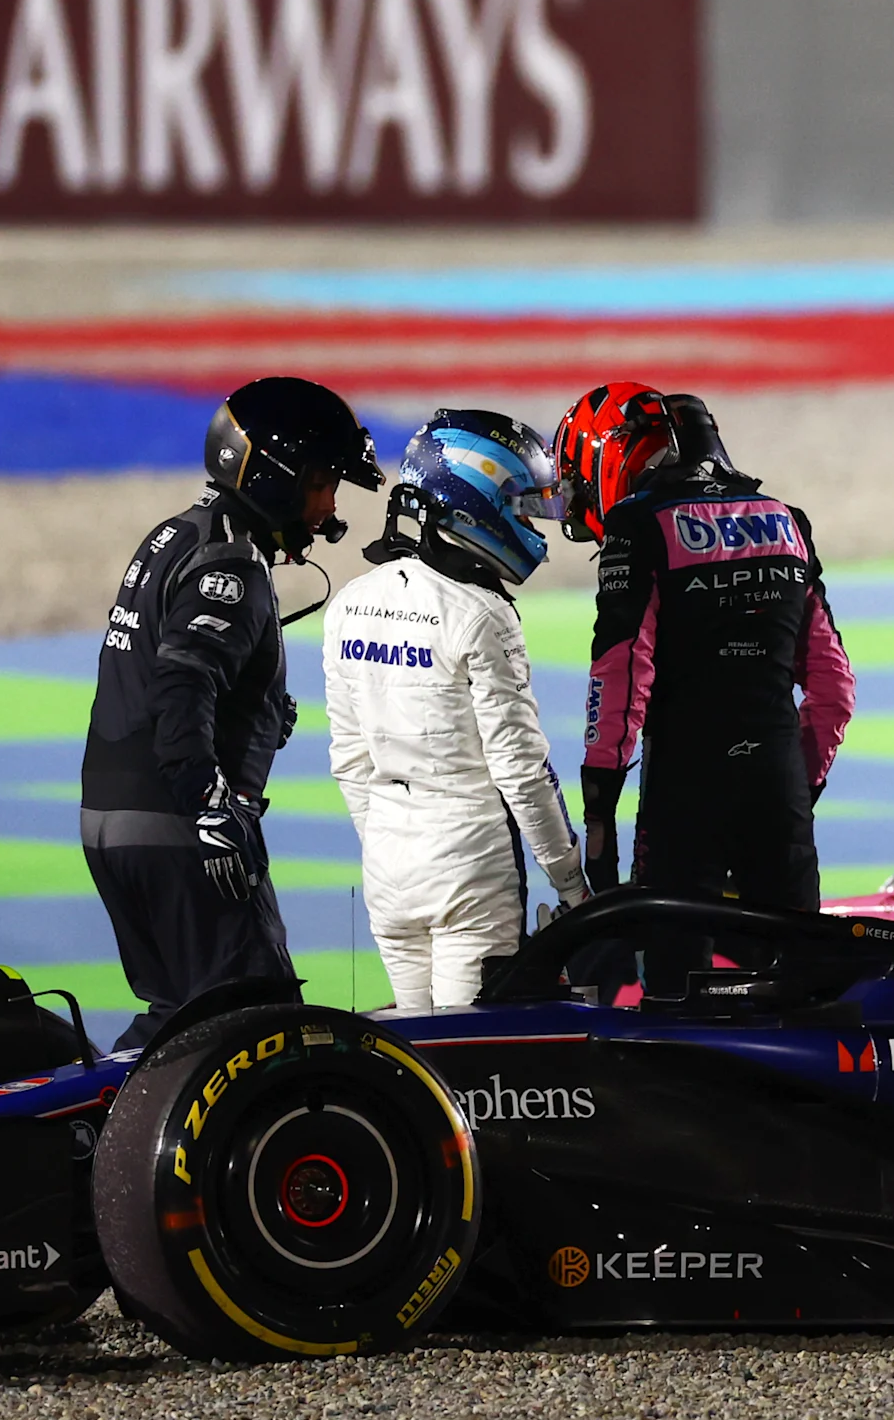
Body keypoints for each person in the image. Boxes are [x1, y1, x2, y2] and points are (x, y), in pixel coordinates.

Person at [80, 375, 381, 1036]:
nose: (329, 505)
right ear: (273, 477)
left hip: (111, 819)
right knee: (255, 1023)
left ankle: (84, 1132)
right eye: (321, 482)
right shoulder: (235, 566)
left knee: (180, 1020)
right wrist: (211, 809)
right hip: (178, 827)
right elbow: (180, 689)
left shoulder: (174, 535)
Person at [324, 410, 589, 1014]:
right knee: (471, 1072)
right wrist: (571, 884)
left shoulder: (349, 604)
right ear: (476, 503)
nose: (530, 522)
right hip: (472, 868)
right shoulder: (484, 616)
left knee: (414, 1073)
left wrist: (392, 844)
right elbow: (522, 773)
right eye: (521, 506)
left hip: (388, 867)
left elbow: (350, 763)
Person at [561, 383, 855, 912]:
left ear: (614, 456)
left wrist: (599, 814)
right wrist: (795, 791)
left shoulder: (639, 523)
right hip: (780, 786)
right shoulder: (788, 519)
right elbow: (834, 690)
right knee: (802, 979)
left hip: (683, 795)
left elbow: (622, 672)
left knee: (673, 984)